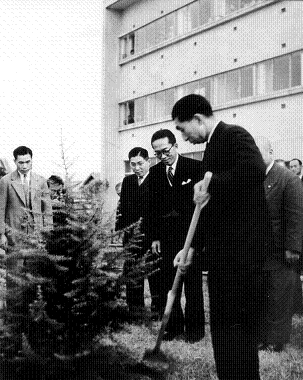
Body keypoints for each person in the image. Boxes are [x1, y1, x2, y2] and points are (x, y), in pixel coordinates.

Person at [172, 94, 272, 379]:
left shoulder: (233, 134)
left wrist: (211, 183)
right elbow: (212, 210)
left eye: (182, 128)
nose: (183, 136)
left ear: (198, 119)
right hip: (224, 257)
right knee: (225, 332)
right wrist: (192, 248)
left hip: (241, 257)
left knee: (238, 334)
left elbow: (254, 170)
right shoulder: (213, 146)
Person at [149, 129, 205, 343]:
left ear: (176, 146)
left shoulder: (195, 168)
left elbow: (202, 210)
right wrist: (155, 237)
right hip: (166, 240)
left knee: (192, 286)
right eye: (157, 154)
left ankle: (194, 330)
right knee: (167, 285)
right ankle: (173, 327)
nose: (162, 157)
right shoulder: (154, 174)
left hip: (190, 239)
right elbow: (151, 209)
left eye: (165, 151)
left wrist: (195, 243)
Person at [255, 137, 303, 352]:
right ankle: (263, 336)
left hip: (281, 249)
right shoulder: (252, 178)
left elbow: (296, 216)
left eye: (258, 152)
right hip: (258, 249)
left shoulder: (288, 178)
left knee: (280, 294)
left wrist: (293, 247)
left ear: (271, 151)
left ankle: (277, 340)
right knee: (263, 293)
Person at [115, 147, 158, 318]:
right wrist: (123, 231)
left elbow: (159, 211)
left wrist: (157, 237)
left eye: (140, 163)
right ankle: (135, 309)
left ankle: (157, 309)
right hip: (131, 236)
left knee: (154, 272)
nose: (137, 168)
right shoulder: (128, 182)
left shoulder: (157, 179)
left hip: (151, 235)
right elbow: (123, 209)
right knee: (132, 272)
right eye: (133, 164)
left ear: (148, 161)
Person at [0, 146, 53, 249]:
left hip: (37, 235)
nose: (24, 166)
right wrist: (1, 234)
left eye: (28, 162)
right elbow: (0, 209)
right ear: (14, 161)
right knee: (15, 264)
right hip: (13, 235)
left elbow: (47, 209)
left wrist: (47, 232)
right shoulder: (5, 181)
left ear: (32, 160)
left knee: (35, 264)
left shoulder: (41, 181)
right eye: (21, 163)